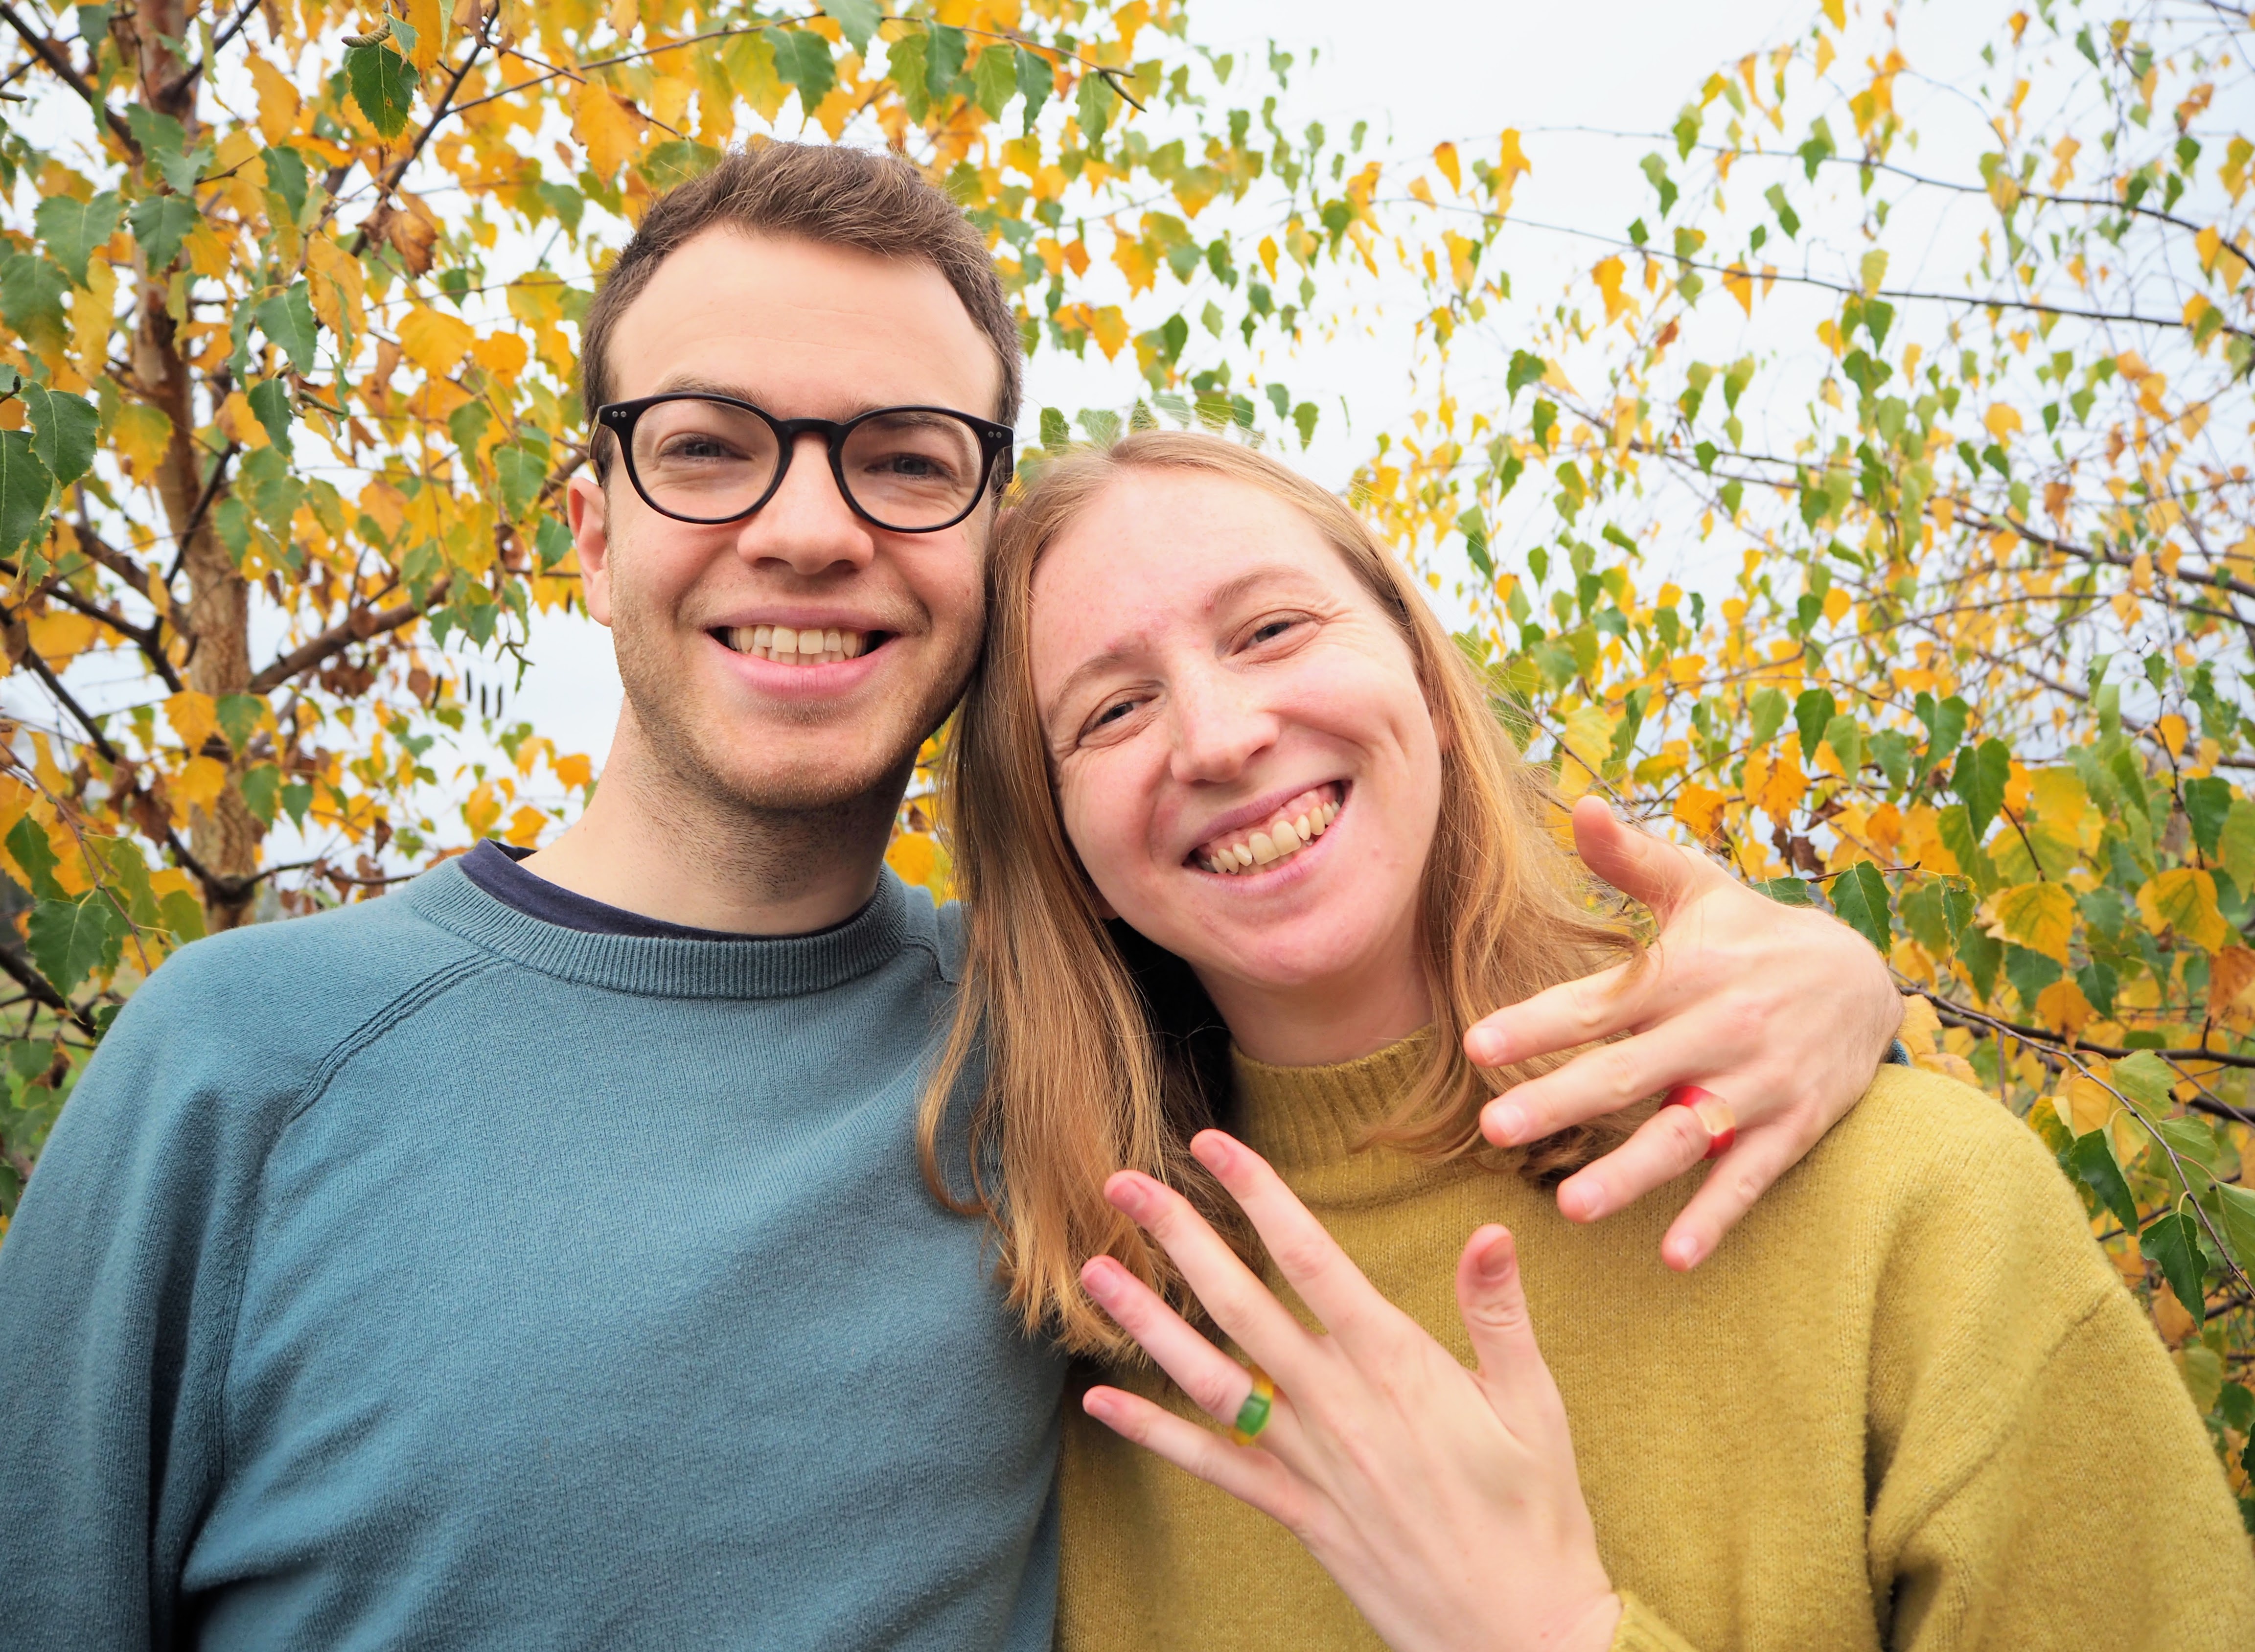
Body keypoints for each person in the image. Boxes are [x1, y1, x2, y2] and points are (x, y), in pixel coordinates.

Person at [0, 146, 1906, 1648]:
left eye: (905, 461)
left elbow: (1379, 999)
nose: (810, 525)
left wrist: (1829, 976)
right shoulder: (239, 1075)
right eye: (709, 448)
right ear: (591, 528)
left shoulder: (1092, 1055)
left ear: (985, 556)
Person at [929, 430, 2255, 1651]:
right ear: (1066, 849)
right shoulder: (1079, 1344)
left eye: (1273, 629)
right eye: (1110, 712)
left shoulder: (1913, 1206)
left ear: (1425, 677)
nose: (1219, 738)